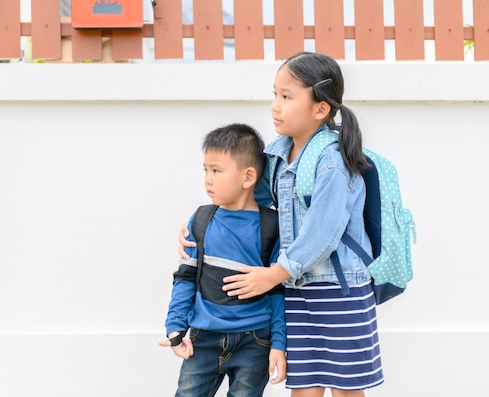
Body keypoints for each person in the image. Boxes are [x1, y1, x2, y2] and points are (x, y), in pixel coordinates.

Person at [179, 52, 384, 396]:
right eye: (275, 94)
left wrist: (274, 273)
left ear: (320, 108)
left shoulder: (333, 160)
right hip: (298, 290)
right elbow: (248, 205)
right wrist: (198, 229)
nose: (275, 105)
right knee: (304, 386)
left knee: (347, 387)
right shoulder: (277, 154)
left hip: (340, 288)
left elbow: (323, 232)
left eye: (287, 97)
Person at [160, 123, 287, 396]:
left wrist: (279, 343)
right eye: (205, 170)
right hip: (202, 339)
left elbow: (278, 291)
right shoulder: (202, 220)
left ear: (248, 176)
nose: (208, 179)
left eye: (216, 170)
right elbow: (185, 277)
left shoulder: (272, 226)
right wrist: (175, 326)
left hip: (255, 342)